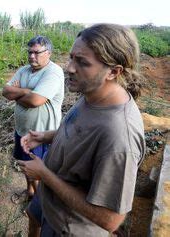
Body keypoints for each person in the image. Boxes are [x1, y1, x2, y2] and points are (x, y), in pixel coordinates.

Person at [18, 23, 146, 236]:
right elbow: (79, 129)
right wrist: (46, 136)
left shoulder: (119, 136)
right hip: (51, 201)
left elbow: (110, 219)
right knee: (34, 216)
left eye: (82, 62)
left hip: (67, 226)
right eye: (71, 58)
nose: (69, 67)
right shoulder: (92, 92)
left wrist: (44, 175)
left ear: (113, 72)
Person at [2, 36, 64, 202]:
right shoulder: (23, 70)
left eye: (36, 52)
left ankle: (40, 202)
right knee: (25, 165)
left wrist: (19, 93)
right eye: (30, 52)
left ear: (48, 53)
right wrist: (28, 91)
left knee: (41, 170)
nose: (31, 56)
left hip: (42, 135)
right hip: (22, 130)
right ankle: (30, 192)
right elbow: (5, 91)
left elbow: (35, 101)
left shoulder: (53, 72)